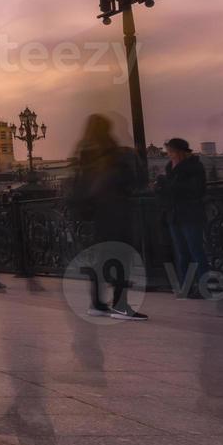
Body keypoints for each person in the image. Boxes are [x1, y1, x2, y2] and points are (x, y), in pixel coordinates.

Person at [68, 114, 148, 321]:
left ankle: (97, 304)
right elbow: (129, 180)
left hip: (97, 216)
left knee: (101, 260)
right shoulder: (111, 152)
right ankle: (120, 305)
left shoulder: (84, 153)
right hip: (116, 211)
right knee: (122, 257)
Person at [157, 137, 209, 299]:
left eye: (171, 152)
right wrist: (159, 188)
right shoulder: (169, 167)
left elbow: (195, 190)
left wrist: (166, 183)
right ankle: (185, 287)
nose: (169, 155)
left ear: (179, 152)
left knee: (196, 251)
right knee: (182, 252)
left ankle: (202, 287)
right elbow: (169, 191)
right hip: (175, 214)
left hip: (190, 213)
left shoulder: (194, 167)